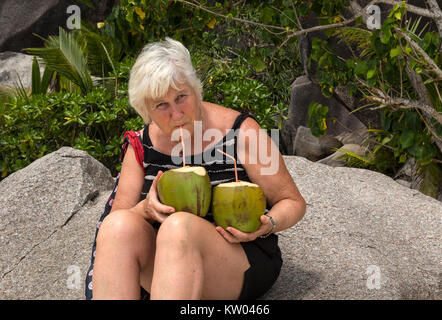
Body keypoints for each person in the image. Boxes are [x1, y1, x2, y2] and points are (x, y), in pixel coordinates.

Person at [86, 37, 306, 300]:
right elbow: (118, 220)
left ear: (196, 88)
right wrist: (145, 209)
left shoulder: (242, 132)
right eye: (162, 105)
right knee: (116, 227)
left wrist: (268, 224)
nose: (176, 113)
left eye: (181, 97)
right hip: (166, 264)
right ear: (146, 110)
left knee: (179, 227)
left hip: (237, 260)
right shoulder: (141, 145)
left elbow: (293, 202)